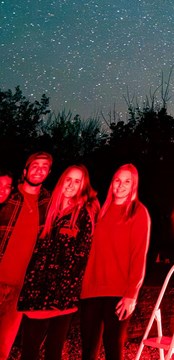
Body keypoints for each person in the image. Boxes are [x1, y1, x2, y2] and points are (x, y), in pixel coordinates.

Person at [16, 164, 100, 360]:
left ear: (83, 186)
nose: (71, 184)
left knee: (53, 351)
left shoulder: (84, 213)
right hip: (36, 291)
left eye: (77, 181)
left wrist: (72, 288)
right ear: (62, 181)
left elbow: (83, 254)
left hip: (63, 294)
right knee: (29, 349)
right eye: (68, 179)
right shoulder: (47, 207)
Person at [79, 163, 150, 360]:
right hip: (91, 290)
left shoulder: (138, 212)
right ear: (112, 183)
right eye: (117, 180)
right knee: (88, 351)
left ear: (134, 185)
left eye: (127, 181)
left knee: (113, 350)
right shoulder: (101, 210)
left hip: (118, 293)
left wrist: (131, 294)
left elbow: (139, 255)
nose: (121, 185)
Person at [0, 151, 53, 360]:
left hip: (21, 288)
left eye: (44, 167)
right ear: (25, 170)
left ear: (48, 173)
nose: (39, 170)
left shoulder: (48, 203)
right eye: (35, 165)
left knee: (3, 346)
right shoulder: (8, 195)